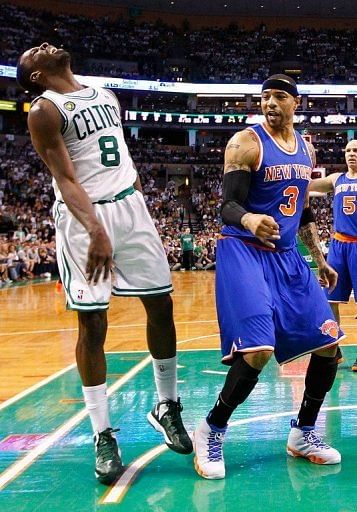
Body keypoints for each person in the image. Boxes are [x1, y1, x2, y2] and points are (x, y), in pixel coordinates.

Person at [17, 42, 192, 485]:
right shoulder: (44, 110)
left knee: (162, 305)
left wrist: (127, 204)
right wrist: (96, 230)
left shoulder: (105, 95)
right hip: (84, 218)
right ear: (36, 75)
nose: (44, 45)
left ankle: (166, 406)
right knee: (93, 324)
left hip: (130, 207)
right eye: (33, 52)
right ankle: (102, 434)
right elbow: (65, 177)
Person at [193, 74, 344, 480]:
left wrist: (319, 257)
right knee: (258, 350)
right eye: (264, 97)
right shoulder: (246, 143)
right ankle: (212, 427)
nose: (270, 103)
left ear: (296, 102)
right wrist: (249, 217)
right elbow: (226, 205)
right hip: (243, 251)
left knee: (329, 341)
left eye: (279, 96)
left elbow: (304, 211)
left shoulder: (305, 149)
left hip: (288, 255)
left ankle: (304, 432)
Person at [309, 139, 357, 372]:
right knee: (330, 299)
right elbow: (308, 185)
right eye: (348, 150)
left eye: (356, 150)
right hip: (338, 245)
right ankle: (334, 350)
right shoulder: (337, 179)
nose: (351, 154)